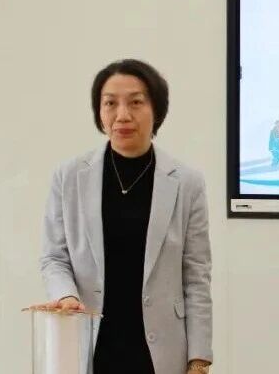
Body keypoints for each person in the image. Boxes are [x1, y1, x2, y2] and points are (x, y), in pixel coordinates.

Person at [36, 59, 213, 374]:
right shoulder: (69, 176)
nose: (122, 115)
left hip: (160, 353)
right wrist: (66, 296)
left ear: (156, 109)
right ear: (99, 111)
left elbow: (196, 275)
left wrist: (199, 360)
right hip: (88, 344)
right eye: (110, 103)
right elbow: (54, 257)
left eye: (135, 102)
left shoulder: (187, 182)